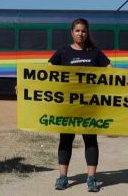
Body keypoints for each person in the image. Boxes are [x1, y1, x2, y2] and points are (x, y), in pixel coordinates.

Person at [48, 18, 111, 192]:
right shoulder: (62, 52)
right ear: (72, 32)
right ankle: (62, 178)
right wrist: (24, 84)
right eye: (77, 30)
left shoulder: (95, 53)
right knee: (65, 140)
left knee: (90, 140)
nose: (80, 34)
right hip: (68, 105)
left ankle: (91, 179)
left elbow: (112, 72)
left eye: (83, 31)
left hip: (90, 106)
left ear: (87, 32)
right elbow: (43, 74)